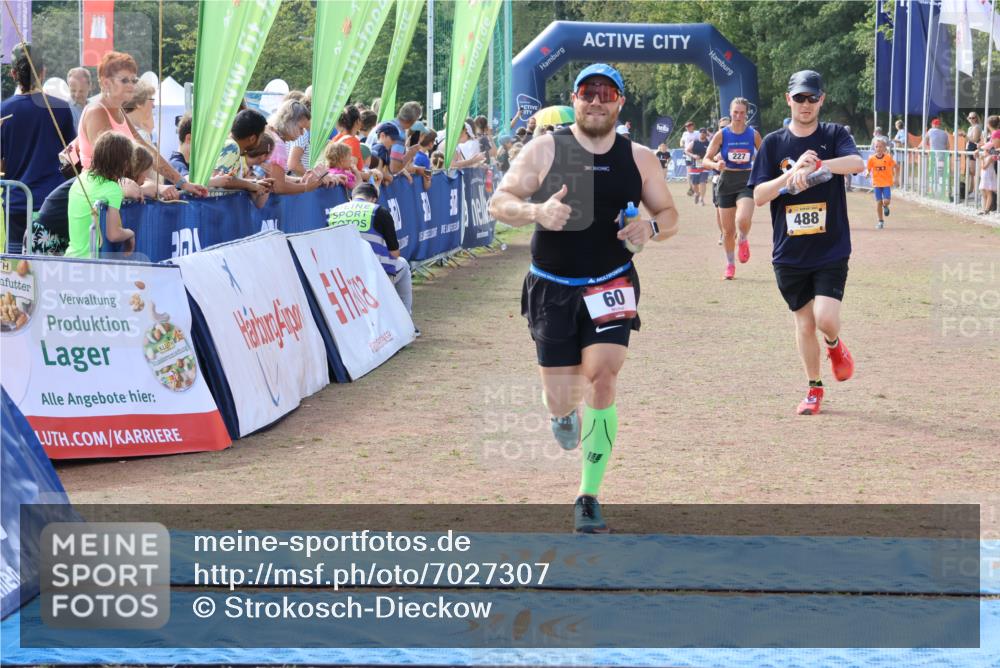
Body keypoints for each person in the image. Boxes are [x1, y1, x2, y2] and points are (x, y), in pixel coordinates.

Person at [487, 63, 679, 533]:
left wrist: (650, 227)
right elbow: (499, 202)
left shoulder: (639, 158)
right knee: (561, 399)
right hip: (552, 286)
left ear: (619, 102)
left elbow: (670, 215)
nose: (596, 99)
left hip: (611, 281)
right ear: (574, 99)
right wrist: (536, 210)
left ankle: (587, 495)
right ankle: (562, 416)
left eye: (605, 92)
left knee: (603, 377)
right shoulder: (546, 148)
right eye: (587, 92)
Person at [749, 69, 863, 416]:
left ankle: (834, 344)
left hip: (830, 247)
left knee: (825, 318)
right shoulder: (773, 143)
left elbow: (858, 163)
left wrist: (817, 164)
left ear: (821, 100)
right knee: (803, 322)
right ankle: (814, 389)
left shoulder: (834, 134)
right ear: (789, 99)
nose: (806, 104)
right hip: (789, 253)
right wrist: (791, 173)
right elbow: (758, 195)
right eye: (800, 98)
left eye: (812, 98)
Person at [77, 51, 206, 200]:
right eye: (125, 80)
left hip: (112, 196)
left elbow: (146, 149)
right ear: (106, 82)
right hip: (96, 198)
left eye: (134, 80)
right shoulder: (97, 112)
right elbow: (110, 166)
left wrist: (182, 183)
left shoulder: (118, 111)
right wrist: (153, 187)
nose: (131, 85)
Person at [0, 43, 76, 253]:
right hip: (53, 203)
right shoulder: (60, 108)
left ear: (13, 73)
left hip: (17, 201)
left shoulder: (3, 111)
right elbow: (72, 157)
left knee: (17, 274)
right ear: (43, 71)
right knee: (51, 270)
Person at [327, 183, 416, 332]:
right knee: (404, 265)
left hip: (342, 276)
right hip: (374, 275)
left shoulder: (334, 212)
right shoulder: (379, 211)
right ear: (374, 199)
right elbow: (395, 253)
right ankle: (406, 323)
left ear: (351, 198)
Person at [702, 97, 762, 279]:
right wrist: (715, 165)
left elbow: (765, 156)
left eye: (742, 113)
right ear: (730, 112)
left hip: (746, 179)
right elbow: (705, 159)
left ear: (746, 114)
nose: (738, 116)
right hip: (726, 180)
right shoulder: (722, 134)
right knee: (727, 231)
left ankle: (743, 239)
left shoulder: (753, 134)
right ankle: (730, 264)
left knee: (743, 218)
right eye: (735, 112)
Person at [65, 133, 136, 259]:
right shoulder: (113, 189)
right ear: (124, 163)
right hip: (90, 264)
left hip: (70, 258)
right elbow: (113, 234)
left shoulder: (79, 180)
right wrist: (130, 234)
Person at [864, 137, 897, 229]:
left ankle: (885, 205)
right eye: (877, 147)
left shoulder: (888, 157)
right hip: (877, 183)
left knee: (886, 201)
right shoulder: (871, 159)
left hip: (886, 183)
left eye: (880, 147)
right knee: (878, 202)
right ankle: (880, 221)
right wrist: (867, 173)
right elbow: (868, 169)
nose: (878, 148)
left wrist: (896, 178)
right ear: (874, 148)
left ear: (884, 148)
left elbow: (896, 166)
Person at [710, 116, 731, 245]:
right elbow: (706, 161)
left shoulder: (738, 140)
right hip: (718, 180)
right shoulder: (714, 142)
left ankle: (733, 231)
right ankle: (724, 232)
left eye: (726, 126)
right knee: (719, 210)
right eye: (722, 127)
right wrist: (715, 161)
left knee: (735, 209)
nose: (724, 129)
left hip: (735, 180)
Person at [122, 79, 155, 143]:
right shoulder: (142, 136)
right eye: (151, 100)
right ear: (139, 103)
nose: (153, 106)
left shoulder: (116, 131)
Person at [685, 127, 710, 205]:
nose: (702, 134)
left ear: (706, 134)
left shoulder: (709, 143)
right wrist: (693, 155)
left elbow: (712, 152)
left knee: (703, 182)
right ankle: (697, 193)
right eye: (701, 132)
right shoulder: (694, 142)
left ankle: (702, 199)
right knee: (694, 183)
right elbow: (686, 150)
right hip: (695, 165)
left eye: (704, 132)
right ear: (699, 133)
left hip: (705, 165)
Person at [979, 129, 1000, 216]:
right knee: (984, 192)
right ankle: (984, 208)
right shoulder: (988, 157)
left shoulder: (990, 157)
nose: (984, 151)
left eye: (985, 150)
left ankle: (986, 209)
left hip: (988, 177)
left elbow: (984, 167)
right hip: (985, 177)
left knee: (988, 192)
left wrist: (982, 160)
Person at [680, 120, 699, 196]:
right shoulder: (685, 134)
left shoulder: (697, 133)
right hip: (687, 155)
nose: (687, 128)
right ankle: (691, 187)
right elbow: (681, 141)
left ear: (693, 126)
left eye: (689, 126)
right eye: (686, 127)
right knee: (689, 172)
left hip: (696, 155)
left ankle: (696, 187)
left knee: (697, 172)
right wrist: (681, 144)